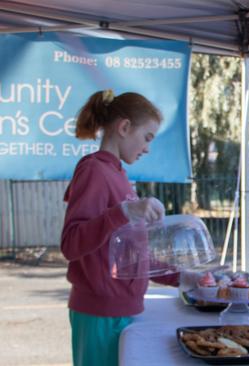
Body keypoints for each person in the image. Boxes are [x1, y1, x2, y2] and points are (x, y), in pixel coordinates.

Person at [60, 90, 178, 366]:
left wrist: (183, 278)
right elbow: (71, 244)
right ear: (124, 127)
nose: (147, 148)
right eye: (147, 137)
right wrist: (122, 212)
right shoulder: (93, 170)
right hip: (100, 314)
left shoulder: (119, 176)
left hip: (123, 310)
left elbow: (130, 255)